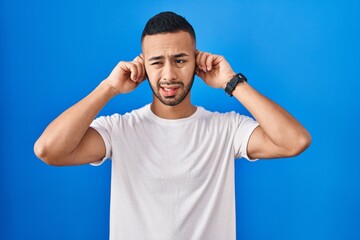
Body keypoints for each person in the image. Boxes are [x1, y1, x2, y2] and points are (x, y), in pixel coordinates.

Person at [34, 11, 311, 240]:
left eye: (180, 60)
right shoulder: (120, 130)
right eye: (157, 62)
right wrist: (108, 87)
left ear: (196, 63)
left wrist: (233, 83)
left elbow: (294, 141)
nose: (169, 75)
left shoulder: (226, 129)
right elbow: (49, 150)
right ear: (143, 66)